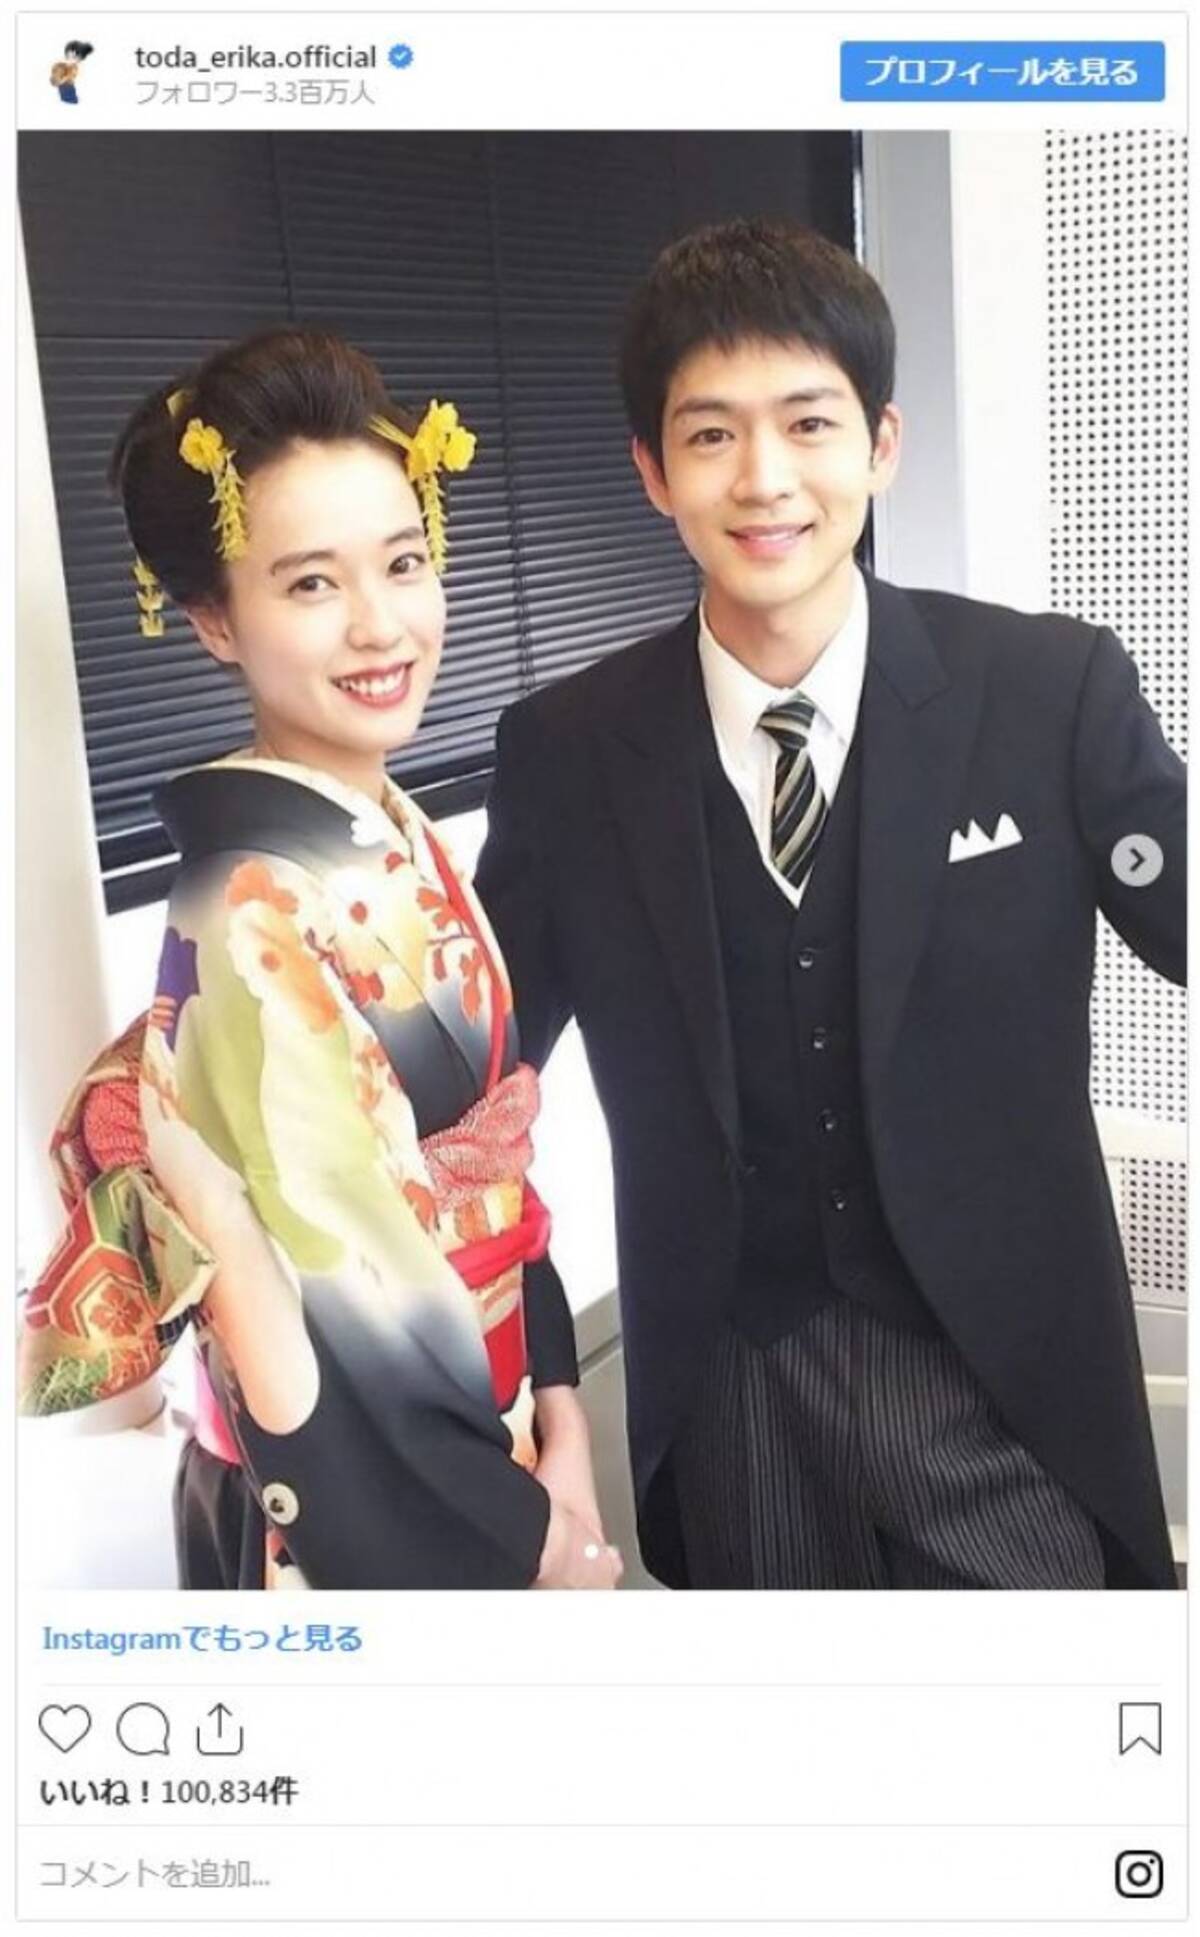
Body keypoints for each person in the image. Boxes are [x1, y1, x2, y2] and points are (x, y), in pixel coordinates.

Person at [474, 218, 1186, 1590]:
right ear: (651, 470)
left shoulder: (1049, 690)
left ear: (880, 444)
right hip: (737, 1396)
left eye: (808, 423)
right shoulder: (568, 749)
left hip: (1009, 1387)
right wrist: (540, 1384)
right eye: (711, 434)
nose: (765, 479)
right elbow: (472, 1102)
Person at [19, 328, 619, 1592]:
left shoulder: (394, 833)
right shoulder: (248, 911)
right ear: (212, 620)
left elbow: (494, 1170)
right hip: (370, 1507)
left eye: (403, 562)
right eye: (309, 585)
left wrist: (557, 1406)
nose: (380, 624)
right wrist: (531, 1538)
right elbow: (331, 1307)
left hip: (490, 1432)